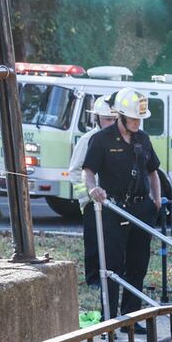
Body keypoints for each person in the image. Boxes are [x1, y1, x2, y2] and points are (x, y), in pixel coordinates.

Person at [82, 86, 162, 320]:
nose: (137, 123)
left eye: (140, 118)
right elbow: (88, 171)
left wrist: (156, 201)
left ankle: (131, 317)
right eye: (133, 118)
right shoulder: (101, 140)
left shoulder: (143, 139)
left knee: (138, 265)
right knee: (112, 266)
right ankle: (110, 318)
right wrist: (93, 189)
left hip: (141, 209)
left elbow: (153, 172)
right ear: (121, 116)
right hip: (113, 209)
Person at [70, 95, 117, 289]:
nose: (112, 123)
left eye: (115, 119)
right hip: (93, 202)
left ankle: (112, 276)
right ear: (96, 118)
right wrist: (87, 197)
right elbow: (75, 171)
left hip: (114, 202)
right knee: (94, 242)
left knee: (113, 243)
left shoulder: (119, 139)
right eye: (107, 119)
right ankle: (93, 279)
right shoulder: (88, 140)